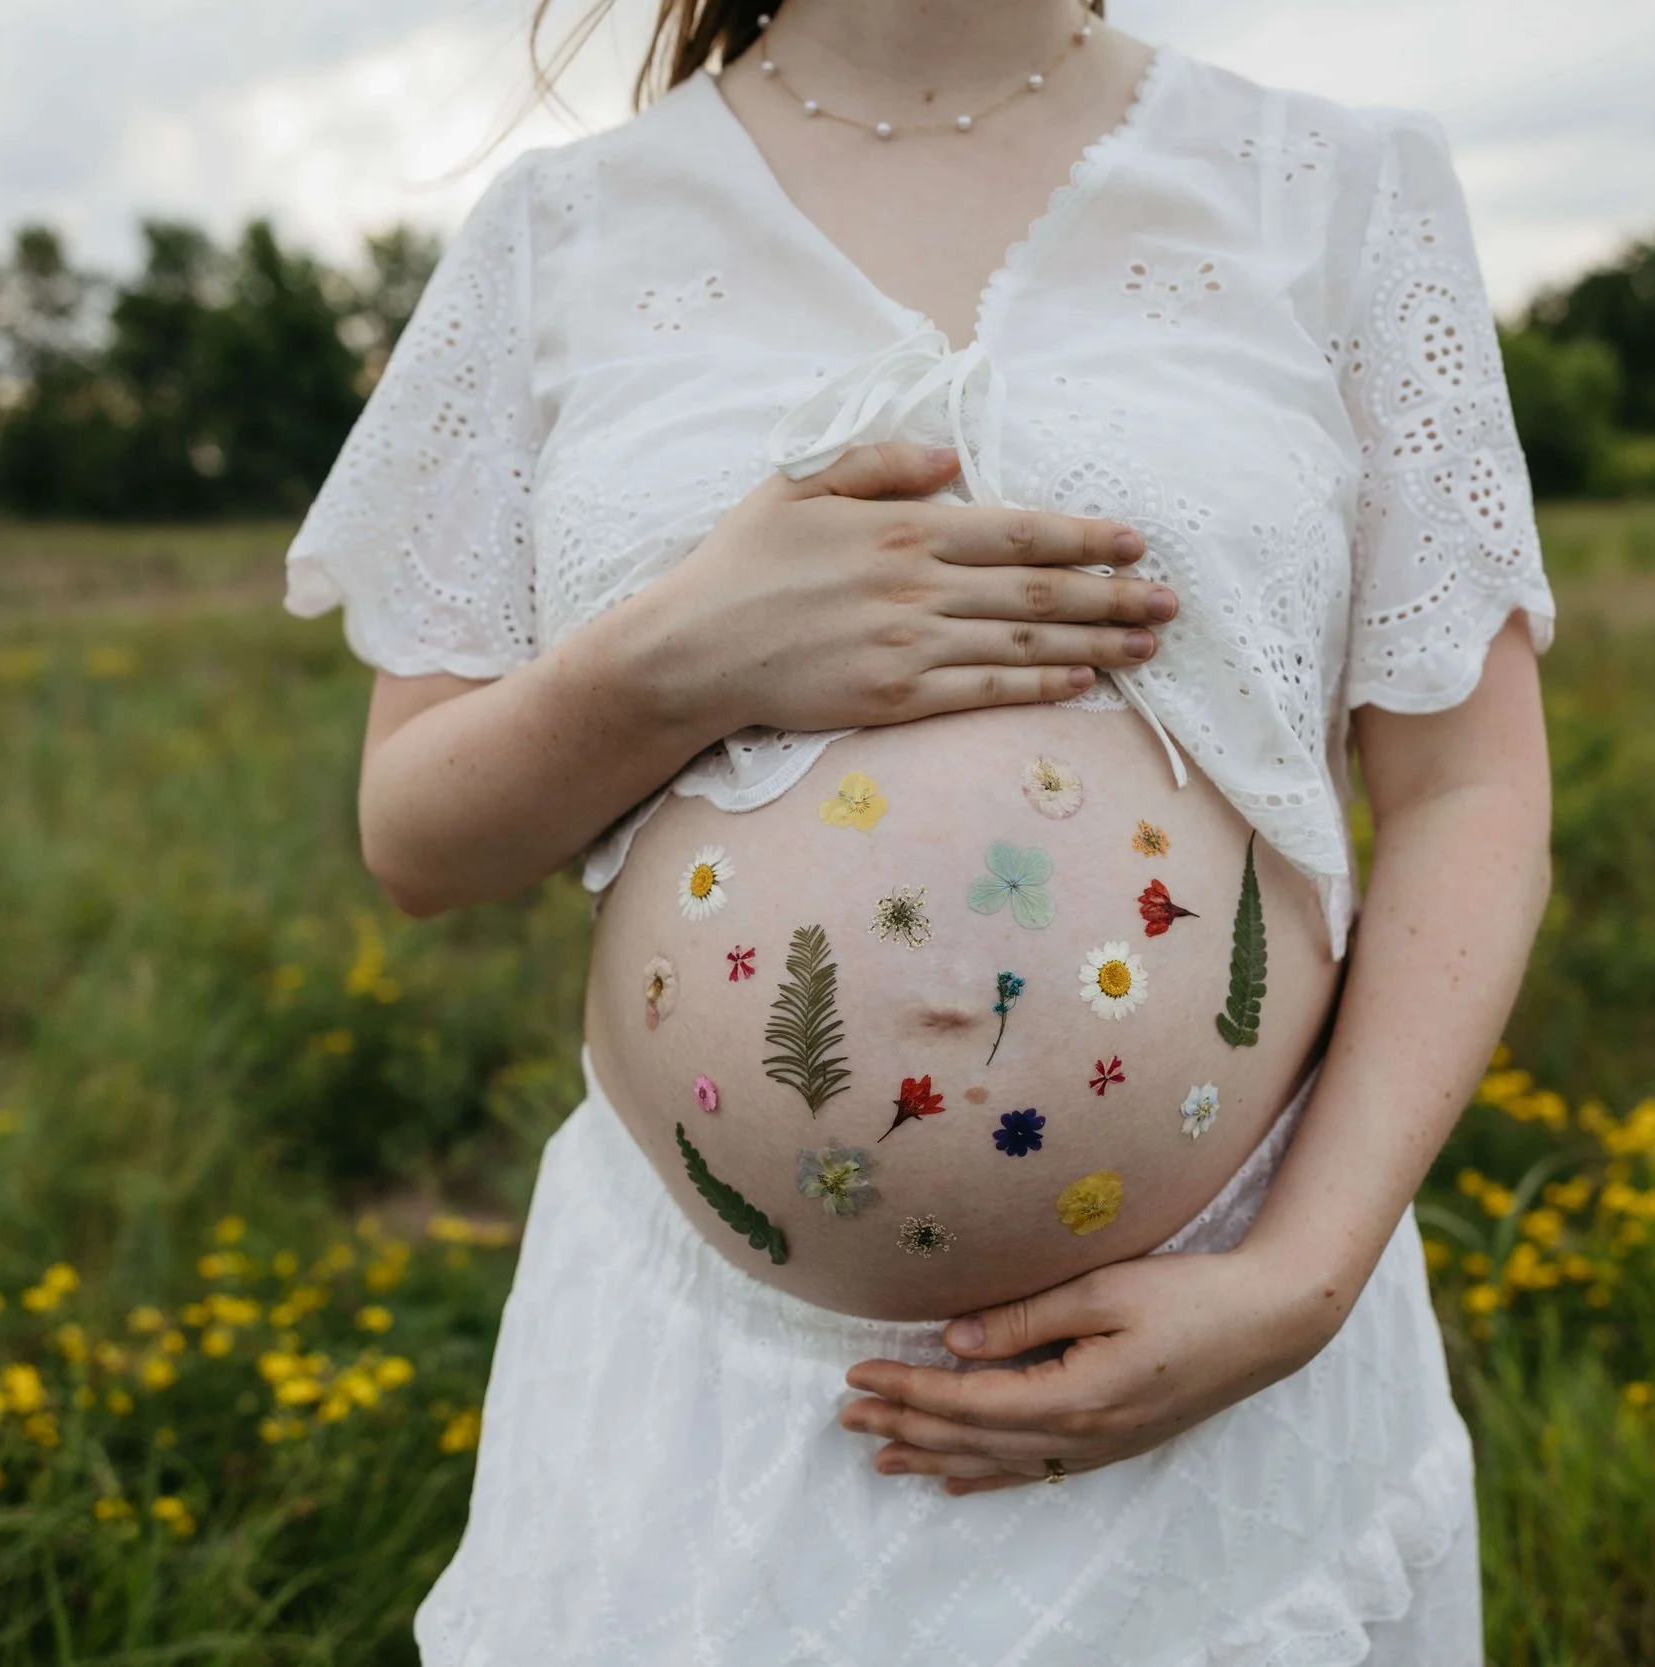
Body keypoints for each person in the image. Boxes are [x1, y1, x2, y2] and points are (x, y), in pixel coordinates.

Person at [283, 0, 1556, 1659]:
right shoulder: (557, 236)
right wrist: (685, 654)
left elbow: (1468, 784)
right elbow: (418, 835)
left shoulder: (1338, 189)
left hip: (1218, 1371)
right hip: (710, 1416)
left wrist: (1298, 1281)